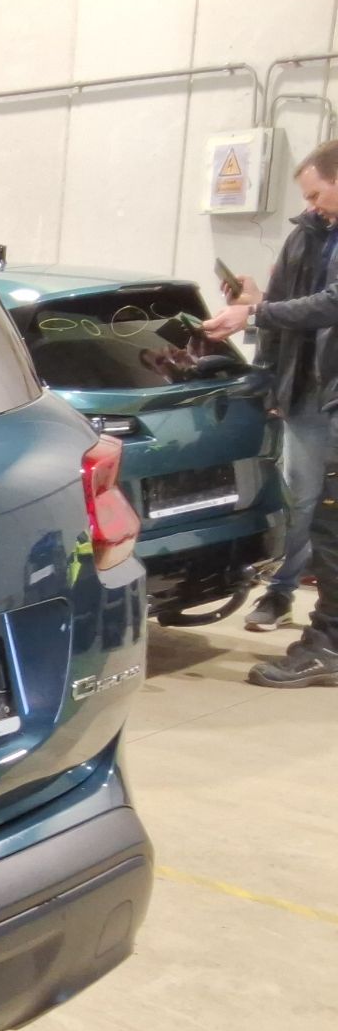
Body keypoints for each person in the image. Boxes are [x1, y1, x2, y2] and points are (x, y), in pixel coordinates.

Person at [201, 142, 338, 687]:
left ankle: (327, 642)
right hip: (310, 391)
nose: (312, 205)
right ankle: (316, 627)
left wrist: (255, 312)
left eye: (317, 193)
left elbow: (332, 302)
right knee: (313, 510)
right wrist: (257, 312)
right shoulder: (308, 233)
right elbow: (291, 303)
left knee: (329, 520)